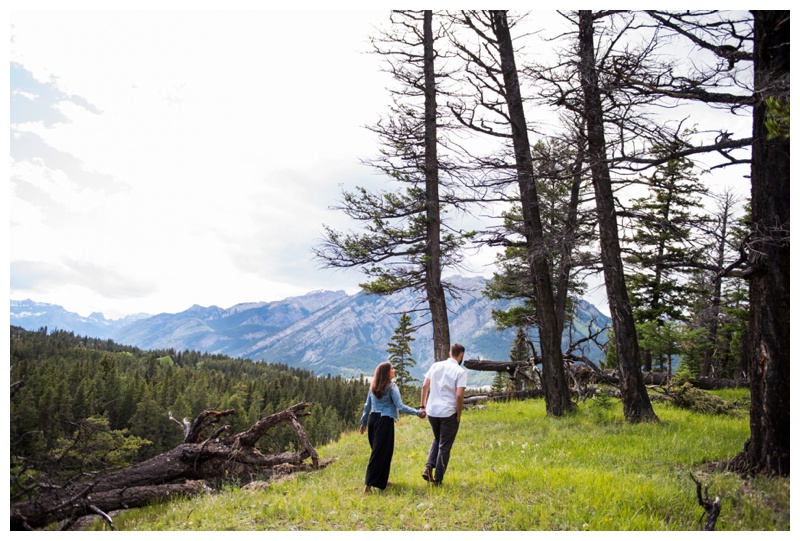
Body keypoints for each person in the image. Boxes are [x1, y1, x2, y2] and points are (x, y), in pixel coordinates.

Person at [359, 361, 425, 494]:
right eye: (392, 369)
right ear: (386, 373)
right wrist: (418, 412)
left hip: (373, 420)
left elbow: (367, 406)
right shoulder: (391, 387)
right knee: (380, 453)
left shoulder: (373, 386)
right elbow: (400, 406)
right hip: (384, 422)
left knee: (380, 452)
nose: (394, 371)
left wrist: (364, 422)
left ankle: (382, 480)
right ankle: (368, 486)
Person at [419, 343, 467, 486]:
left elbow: (424, 386)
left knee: (437, 438)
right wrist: (458, 414)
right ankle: (438, 480)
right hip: (448, 413)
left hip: (432, 411)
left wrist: (423, 405)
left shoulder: (435, 366)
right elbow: (459, 396)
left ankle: (428, 467)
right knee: (445, 445)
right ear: (461, 355)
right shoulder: (460, 372)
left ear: (449, 352)